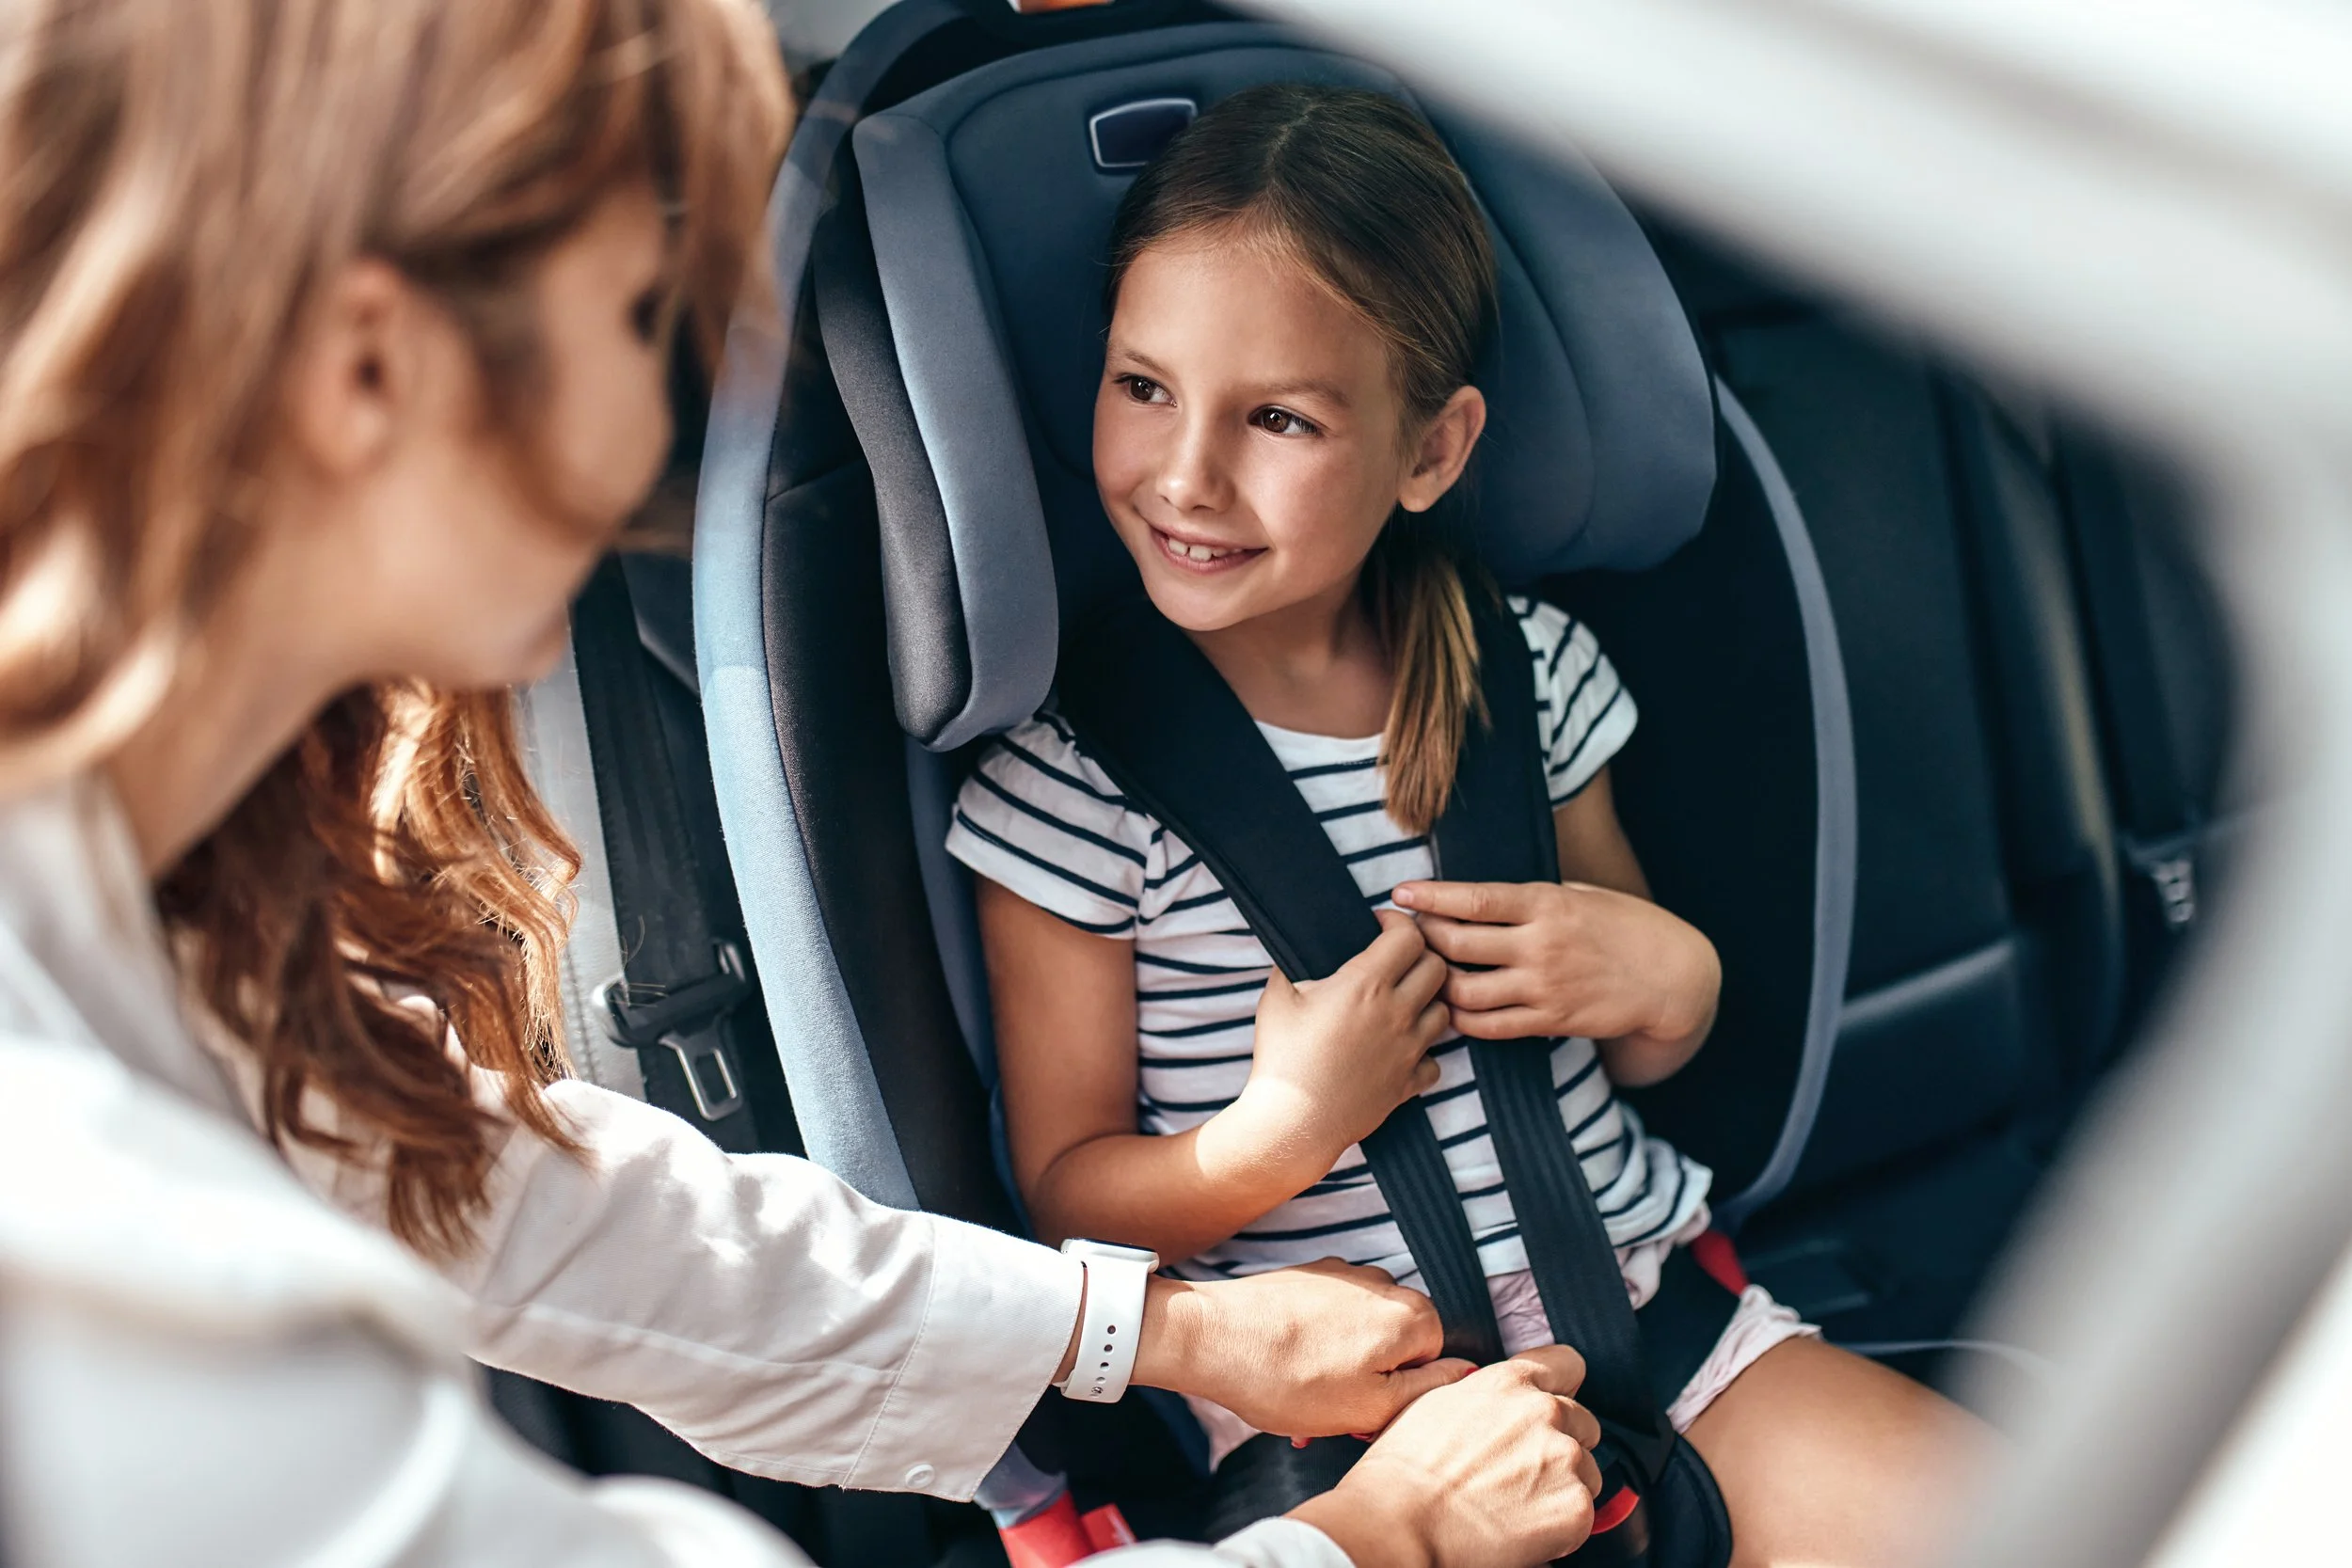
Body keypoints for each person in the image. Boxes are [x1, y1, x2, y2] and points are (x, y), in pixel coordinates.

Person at [0, 8, 1613, 1567]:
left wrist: (1158, 1327)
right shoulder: (74, 1215)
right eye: (642, 319)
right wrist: (1365, 1537)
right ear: (370, 368)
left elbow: (554, 1214)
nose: (657, 427)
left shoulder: (146, 950)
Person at [952, 84, 1987, 1567]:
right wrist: (1278, 1132)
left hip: (1662, 1332)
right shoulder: (1068, 796)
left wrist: (1666, 978)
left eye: (1283, 419)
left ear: (1430, 452)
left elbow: (1638, 1041)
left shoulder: (1535, 678)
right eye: (1144, 387)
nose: (1185, 473)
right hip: (1357, 1414)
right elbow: (1071, 1209)